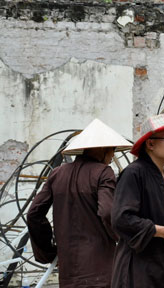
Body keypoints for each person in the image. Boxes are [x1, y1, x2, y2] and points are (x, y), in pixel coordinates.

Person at [26, 118, 132, 288]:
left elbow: (33, 214)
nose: (113, 156)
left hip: (68, 268)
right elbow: (107, 212)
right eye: (112, 150)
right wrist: (123, 239)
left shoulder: (57, 173)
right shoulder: (103, 172)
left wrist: (48, 252)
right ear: (102, 149)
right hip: (100, 269)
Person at [111, 114, 164, 288]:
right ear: (150, 144)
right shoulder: (134, 173)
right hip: (139, 270)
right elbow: (122, 219)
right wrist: (163, 231)